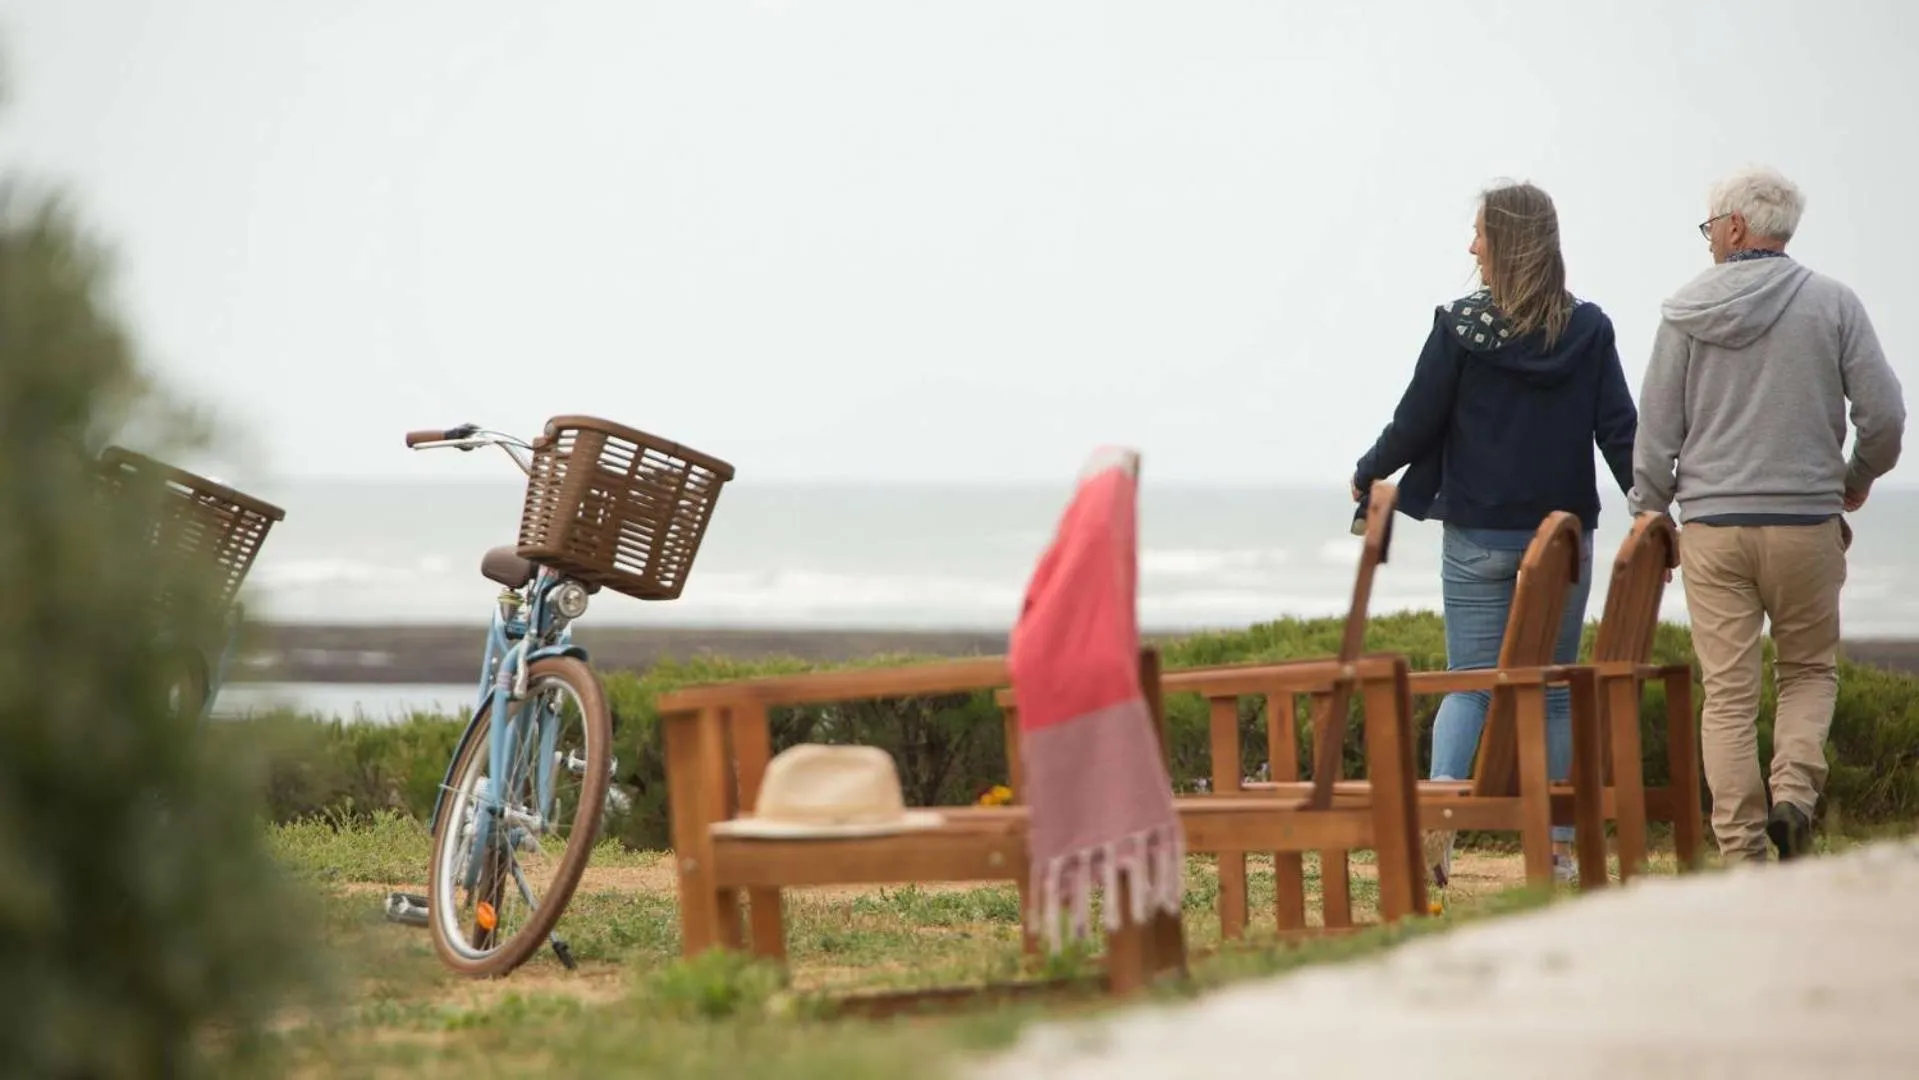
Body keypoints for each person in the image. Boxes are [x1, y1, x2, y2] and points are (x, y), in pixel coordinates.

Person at [1352, 181, 1637, 887]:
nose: (1470, 245)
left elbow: (1414, 423)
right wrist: (1651, 506)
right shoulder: (1588, 329)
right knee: (1554, 690)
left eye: (1479, 232)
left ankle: (1439, 821)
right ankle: (1560, 847)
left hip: (1478, 535)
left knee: (1470, 684)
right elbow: (1618, 431)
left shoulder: (1459, 328)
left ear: (1505, 242)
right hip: (1562, 542)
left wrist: (1369, 471)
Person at [1630, 166, 1905, 864]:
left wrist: (1649, 516)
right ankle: (1793, 798)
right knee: (1807, 672)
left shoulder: (1684, 312)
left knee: (1725, 695)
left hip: (1713, 532)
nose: (1707, 242)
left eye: (1708, 228)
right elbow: (1885, 417)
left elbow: (1656, 432)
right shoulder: (1832, 304)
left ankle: (1742, 854)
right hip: (1803, 527)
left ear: (1733, 227)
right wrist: (1852, 480)